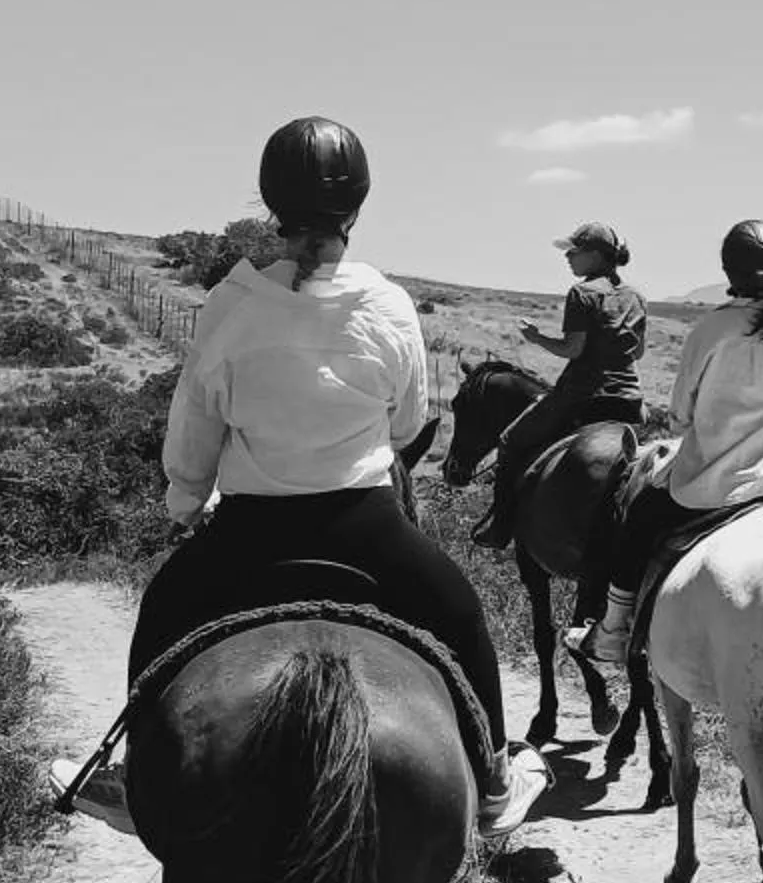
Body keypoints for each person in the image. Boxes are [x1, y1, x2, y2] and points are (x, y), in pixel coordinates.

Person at [80, 116, 545, 835]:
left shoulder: (231, 304)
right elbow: (408, 420)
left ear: (271, 208)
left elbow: (196, 423)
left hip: (249, 528)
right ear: (358, 207)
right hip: (366, 525)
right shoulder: (388, 303)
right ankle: (490, 780)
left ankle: (131, 778)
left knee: (162, 614)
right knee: (461, 615)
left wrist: (184, 498)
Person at [563, 218, 763, 669]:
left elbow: (681, 416)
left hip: (711, 484)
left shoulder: (712, 331)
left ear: (730, 271)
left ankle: (611, 631)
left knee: (638, 521)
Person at [467, 220, 646, 547]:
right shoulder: (635, 297)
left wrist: (536, 338)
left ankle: (500, 523)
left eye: (574, 251)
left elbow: (573, 349)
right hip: (630, 399)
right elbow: (639, 350)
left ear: (593, 255)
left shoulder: (581, 293)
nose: (568, 258)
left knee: (510, 440)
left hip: (584, 395)